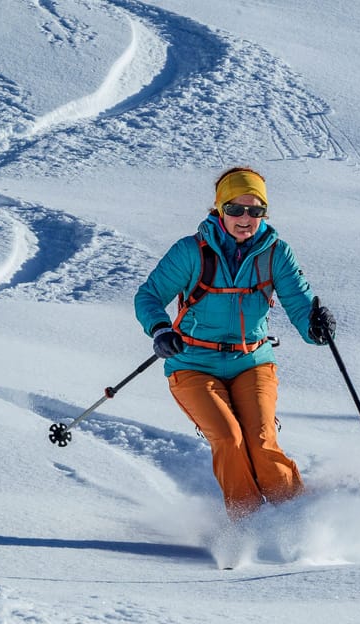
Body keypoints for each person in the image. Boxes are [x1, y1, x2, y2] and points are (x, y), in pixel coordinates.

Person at [134, 166, 336, 520]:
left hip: (252, 361)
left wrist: (315, 327)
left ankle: (297, 519)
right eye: (236, 209)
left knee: (260, 442)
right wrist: (160, 329)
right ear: (219, 209)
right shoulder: (190, 252)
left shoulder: (276, 253)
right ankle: (248, 526)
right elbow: (149, 296)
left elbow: (300, 302)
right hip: (193, 363)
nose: (246, 218)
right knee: (229, 439)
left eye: (255, 211)